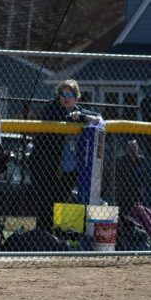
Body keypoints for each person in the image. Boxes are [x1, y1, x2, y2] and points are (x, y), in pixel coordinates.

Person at [32, 79, 101, 231]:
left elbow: (97, 116)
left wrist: (81, 115)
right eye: (62, 94)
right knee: (46, 204)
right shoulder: (52, 107)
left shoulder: (78, 109)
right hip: (47, 167)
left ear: (76, 96)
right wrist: (78, 117)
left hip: (69, 169)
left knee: (62, 201)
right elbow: (60, 118)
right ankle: (42, 237)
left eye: (70, 94)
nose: (65, 97)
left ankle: (59, 236)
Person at [115, 139, 147, 213]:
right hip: (123, 192)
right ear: (127, 149)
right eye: (130, 147)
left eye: (135, 147)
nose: (133, 150)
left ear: (137, 149)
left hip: (137, 192)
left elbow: (144, 179)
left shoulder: (142, 160)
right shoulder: (120, 160)